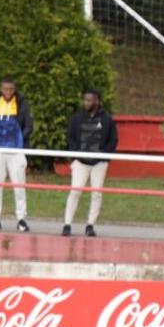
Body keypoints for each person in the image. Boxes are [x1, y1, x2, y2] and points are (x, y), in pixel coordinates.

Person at [62, 88, 117, 236]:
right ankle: (67, 224)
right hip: (80, 162)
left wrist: (104, 157)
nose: (86, 103)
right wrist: (75, 157)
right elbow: (71, 138)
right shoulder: (77, 118)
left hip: (99, 163)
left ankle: (90, 225)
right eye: (85, 100)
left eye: (90, 100)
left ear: (97, 101)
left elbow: (113, 141)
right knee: (75, 192)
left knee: (96, 193)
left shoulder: (107, 120)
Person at [0, 76, 32, 232]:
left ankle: (21, 219)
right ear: (1, 89)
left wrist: (21, 138)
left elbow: (29, 125)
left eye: (11, 89)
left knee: (19, 186)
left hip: (16, 150)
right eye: (5, 89)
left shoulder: (22, 103)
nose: (8, 92)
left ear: (14, 89)